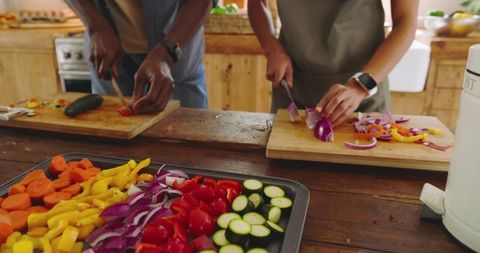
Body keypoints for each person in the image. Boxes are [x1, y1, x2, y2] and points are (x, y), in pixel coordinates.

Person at [248, 0, 418, 128]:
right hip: (293, 87)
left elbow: (406, 21)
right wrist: (271, 48)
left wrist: (361, 85)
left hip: (365, 93)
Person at [65, 0, 216, 114]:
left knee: (185, 146)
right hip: (110, 57)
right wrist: (96, 26)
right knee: (112, 148)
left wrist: (166, 53)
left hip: (176, 54)